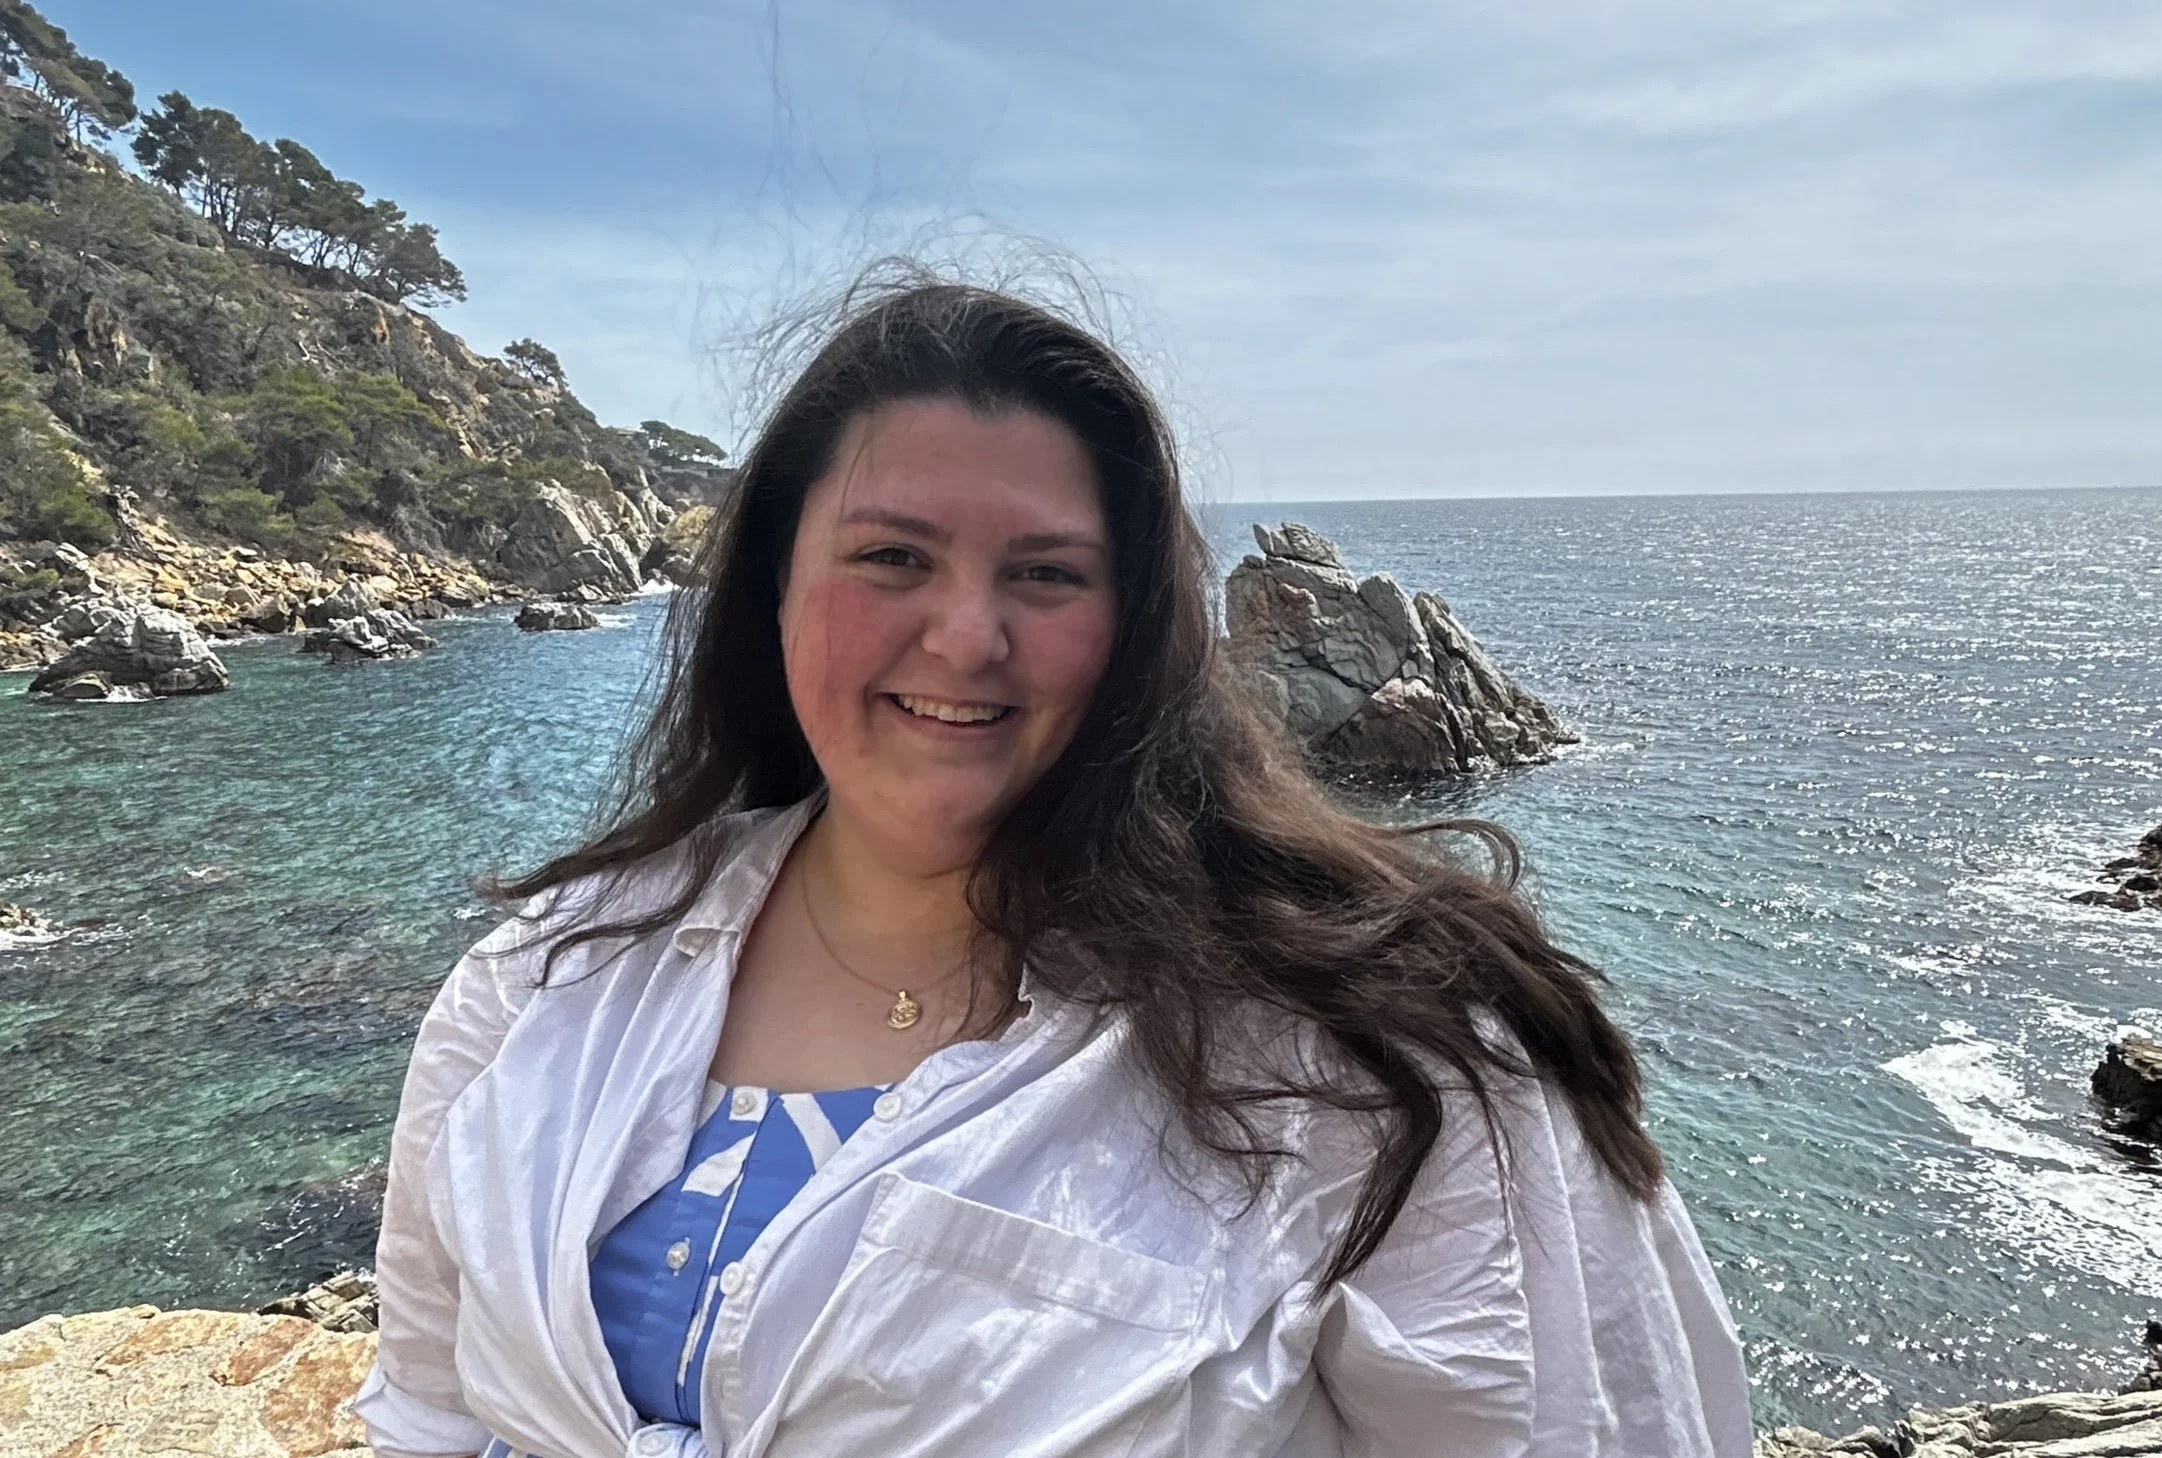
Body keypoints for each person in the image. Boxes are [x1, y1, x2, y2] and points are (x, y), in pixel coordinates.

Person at [353, 276, 1754, 1458]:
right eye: (891, 555)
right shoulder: (546, 976)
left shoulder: (1392, 1056)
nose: (965, 636)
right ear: (772, 584)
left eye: (1045, 574)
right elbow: (426, 1411)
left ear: (1139, 623)